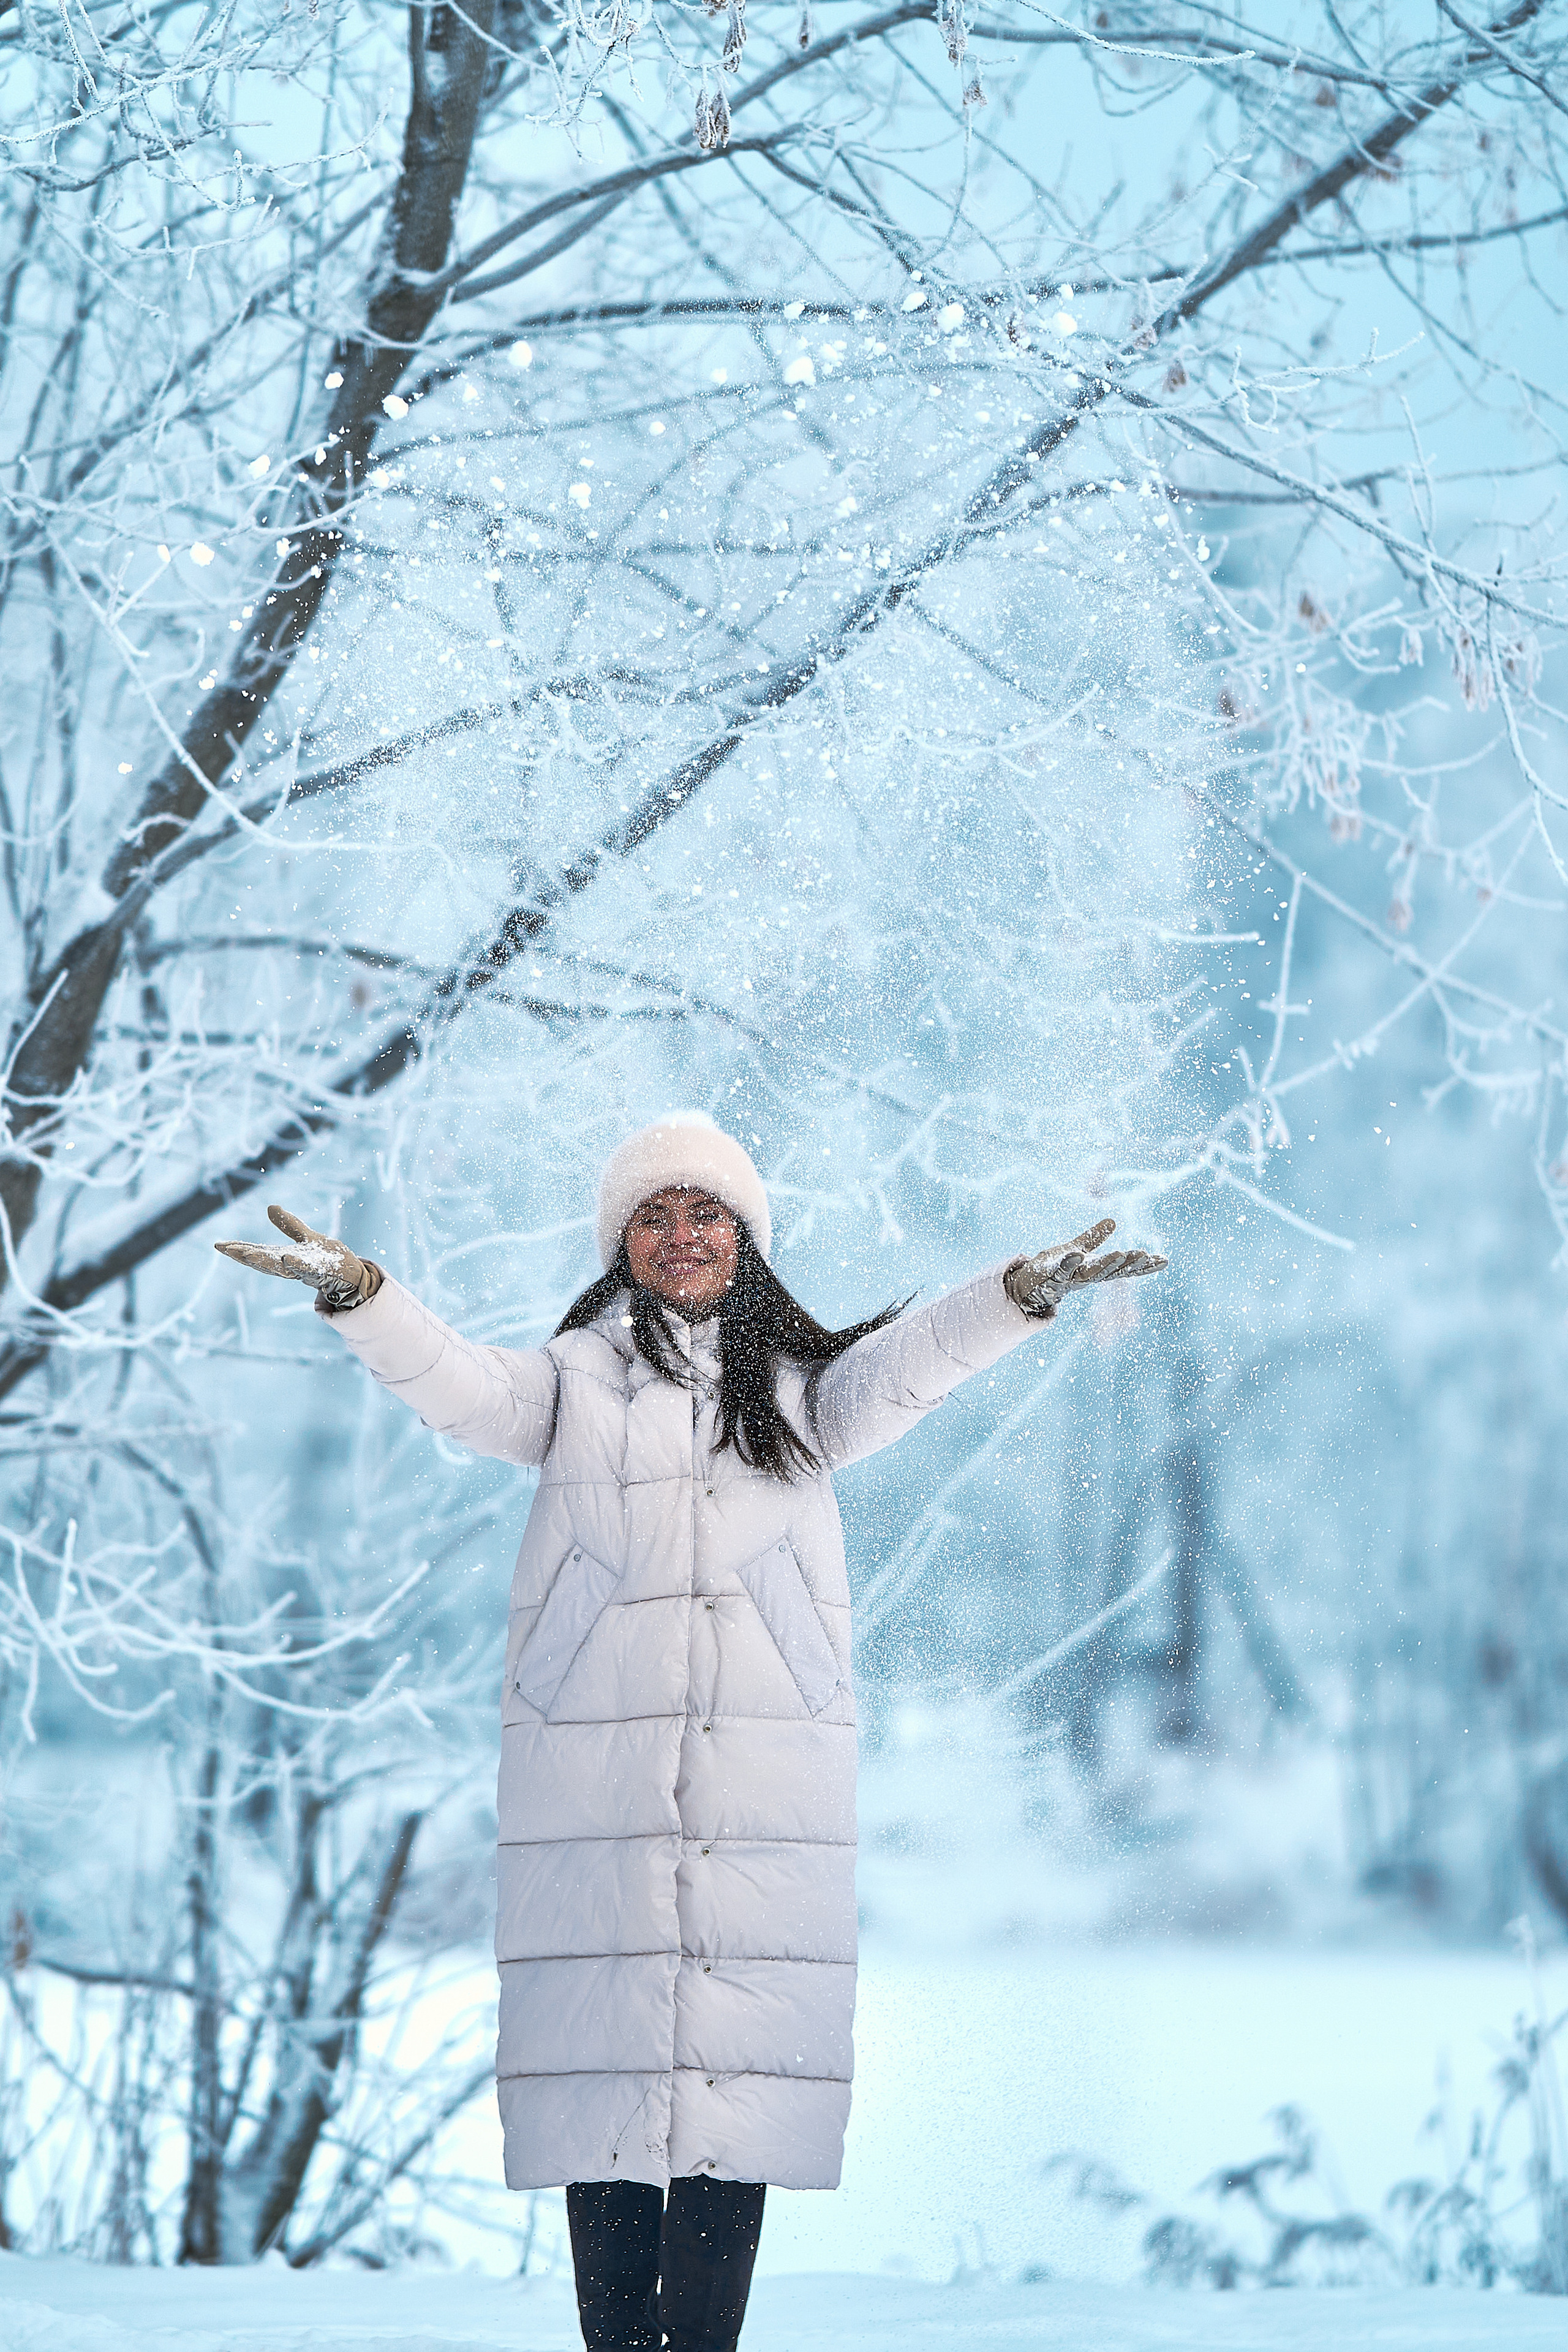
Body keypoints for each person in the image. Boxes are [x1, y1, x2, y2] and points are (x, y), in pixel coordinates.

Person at [216, 1114, 1166, 2350]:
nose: (681, 1234)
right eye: (655, 1215)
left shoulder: (800, 1396)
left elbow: (912, 1363)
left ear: (745, 1239)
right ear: (621, 1243)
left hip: (762, 1784)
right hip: (593, 1780)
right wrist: (363, 1298)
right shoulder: (568, 1381)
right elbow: (456, 1383)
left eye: (704, 1212)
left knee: (730, 2096)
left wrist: (1014, 1296)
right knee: (605, 2084)